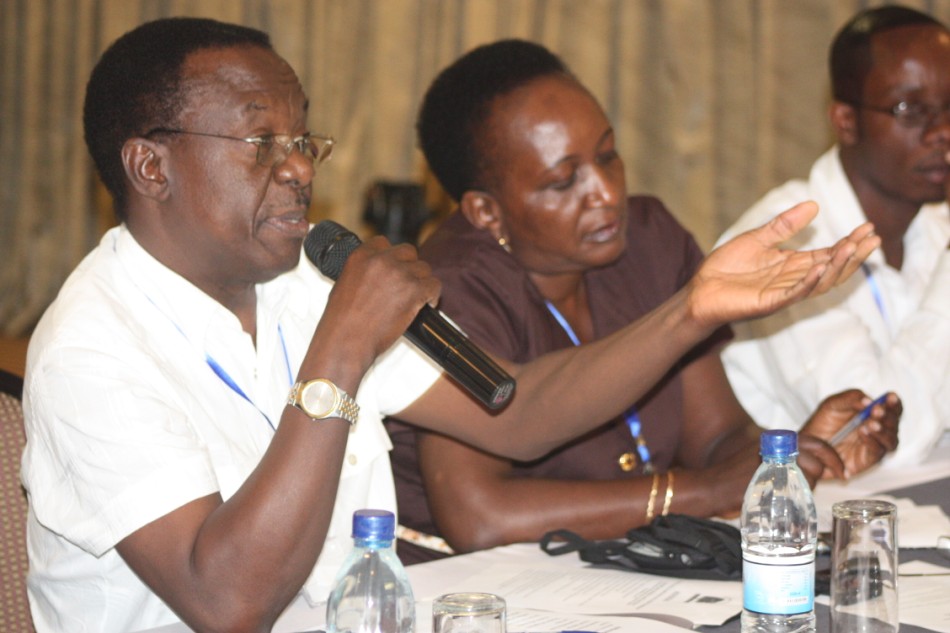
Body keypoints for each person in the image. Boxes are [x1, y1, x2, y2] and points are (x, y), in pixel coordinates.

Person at [21, 17, 879, 633]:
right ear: (152, 166)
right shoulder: (91, 349)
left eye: (302, 140)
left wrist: (690, 310)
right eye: (261, 143)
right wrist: (343, 348)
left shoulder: (299, 285)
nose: (298, 170)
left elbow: (514, 408)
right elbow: (227, 601)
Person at [385, 39, 901, 566]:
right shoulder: (448, 290)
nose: (607, 194)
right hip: (470, 581)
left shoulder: (650, 240)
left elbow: (718, 438)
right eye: (563, 181)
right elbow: (482, 517)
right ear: (485, 212)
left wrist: (786, 458)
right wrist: (701, 493)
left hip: (623, 565)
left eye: (607, 155)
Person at [717, 5, 950, 466]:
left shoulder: (935, 221)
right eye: (910, 110)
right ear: (845, 121)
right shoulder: (783, 244)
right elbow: (872, 446)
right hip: (804, 507)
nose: (943, 131)